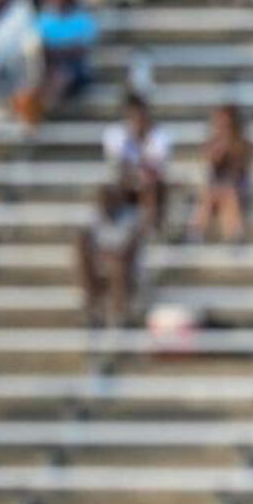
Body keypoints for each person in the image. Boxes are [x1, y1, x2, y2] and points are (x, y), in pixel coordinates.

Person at [75, 180, 142, 328]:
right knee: (84, 258)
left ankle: (119, 317)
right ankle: (93, 311)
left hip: (125, 266)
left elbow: (129, 249)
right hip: (101, 263)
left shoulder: (130, 217)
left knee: (117, 266)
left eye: (110, 198)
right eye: (103, 199)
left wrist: (107, 255)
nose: (106, 202)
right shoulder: (93, 216)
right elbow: (84, 242)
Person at [104, 90, 172, 233]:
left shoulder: (160, 135)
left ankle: (149, 230)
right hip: (125, 182)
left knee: (150, 185)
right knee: (107, 190)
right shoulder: (114, 134)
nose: (138, 119)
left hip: (150, 183)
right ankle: (109, 230)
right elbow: (117, 165)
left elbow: (157, 168)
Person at [192, 102, 253, 242]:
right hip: (216, 190)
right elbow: (210, 165)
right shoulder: (212, 143)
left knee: (229, 194)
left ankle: (235, 234)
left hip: (237, 190)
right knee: (211, 195)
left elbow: (238, 173)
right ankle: (196, 233)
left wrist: (228, 149)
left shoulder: (242, 144)